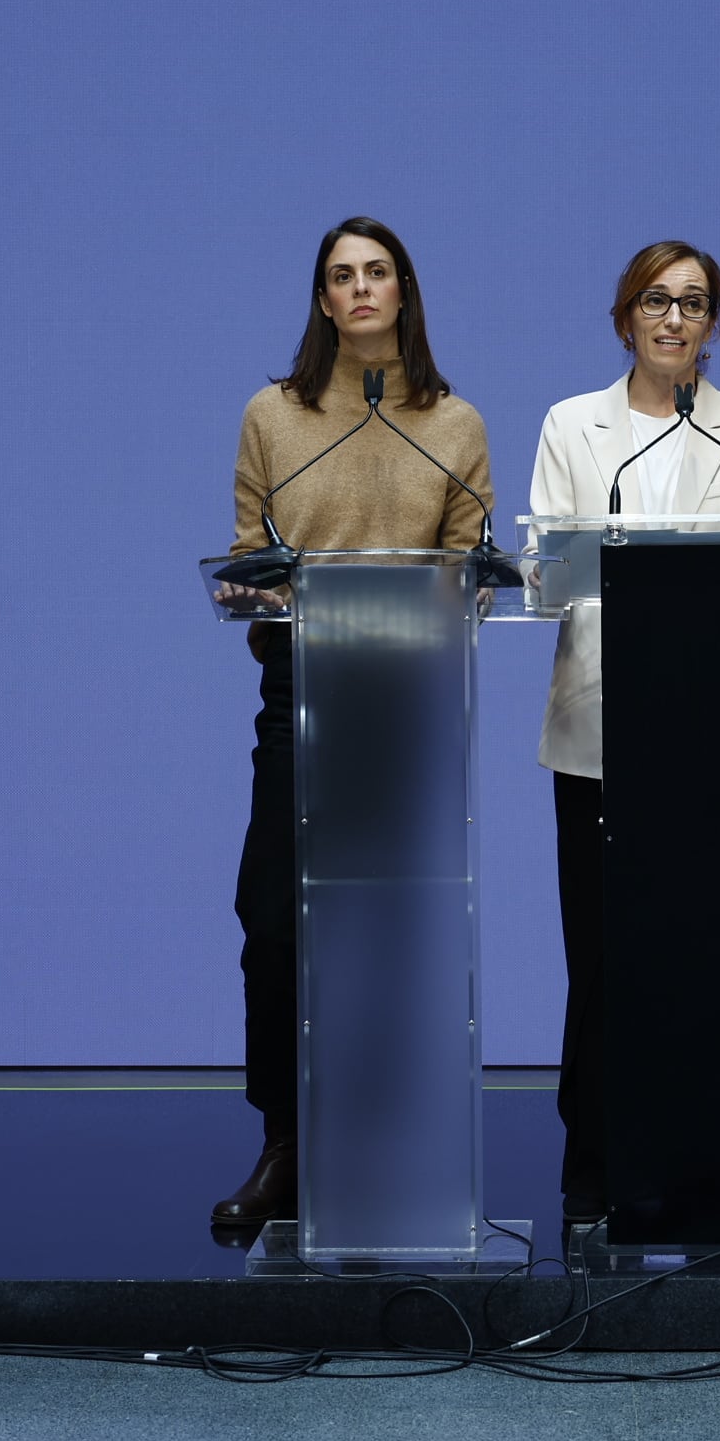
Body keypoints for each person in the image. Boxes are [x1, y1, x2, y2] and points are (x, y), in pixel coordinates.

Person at [214, 216, 492, 1232]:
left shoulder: (454, 423)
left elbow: (476, 574)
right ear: (324, 301)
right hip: (302, 694)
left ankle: (387, 1132)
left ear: (405, 293)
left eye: (379, 273)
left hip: (410, 701)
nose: (362, 289)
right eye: (343, 276)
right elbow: (250, 556)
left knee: (397, 933)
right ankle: (286, 1137)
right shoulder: (273, 414)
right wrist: (264, 593)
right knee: (273, 920)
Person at [526, 240, 720, 1224]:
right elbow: (549, 572)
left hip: (715, 740)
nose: (673, 319)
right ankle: (595, 1165)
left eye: (693, 302)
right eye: (654, 301)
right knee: (603, 961)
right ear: (624, 317)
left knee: (707, 955)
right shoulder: (572, 425)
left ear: (714, 322)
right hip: (599, 735)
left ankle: (711, 1169)